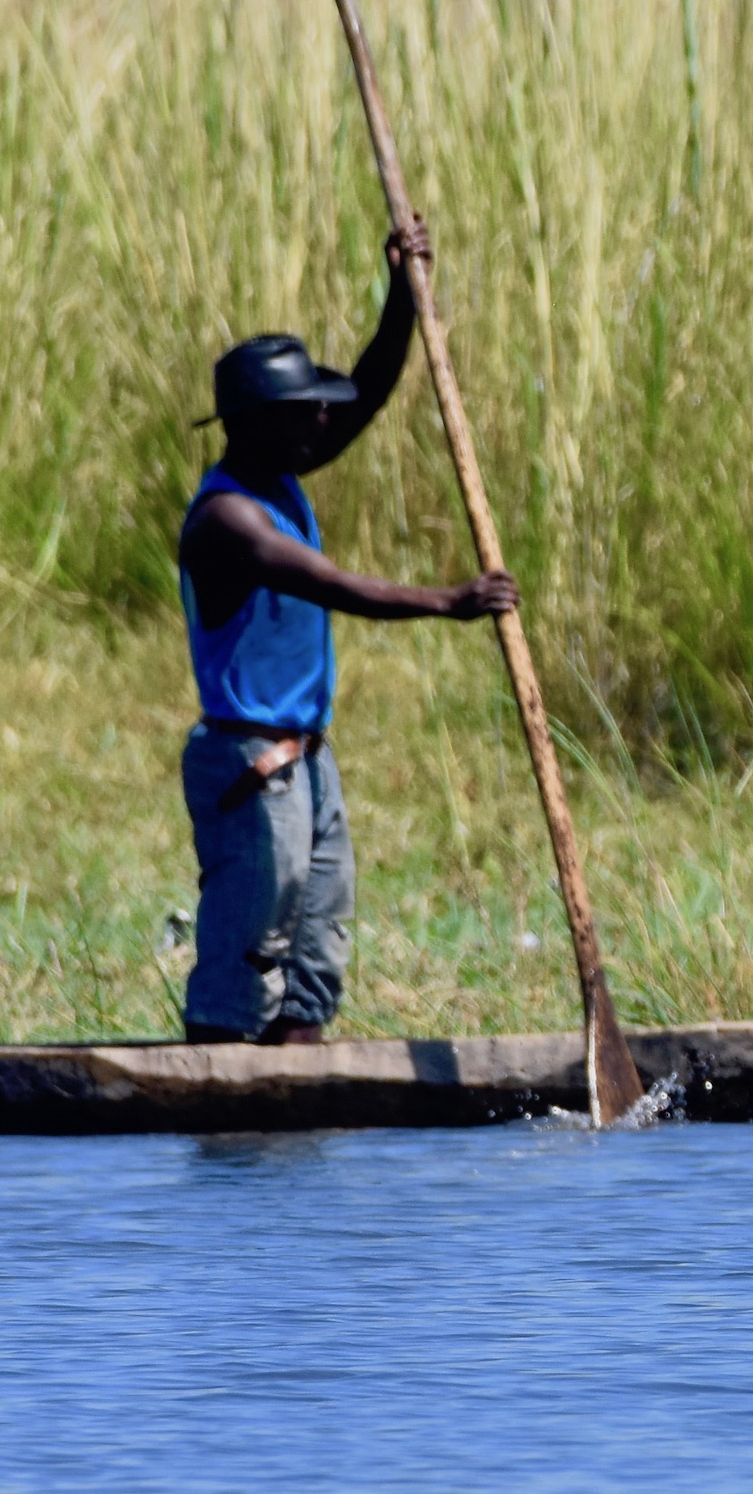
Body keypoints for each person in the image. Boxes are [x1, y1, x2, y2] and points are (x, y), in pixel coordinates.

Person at [174, 214, 514, 1045]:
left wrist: (403, 289)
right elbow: (327, 584)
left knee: (315, 953)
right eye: (304, 415)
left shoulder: (281, 468)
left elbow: (366, 389)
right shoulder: (227, 517)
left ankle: (296, 1099)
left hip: (306, 758)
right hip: (249, 759)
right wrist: (448, 601)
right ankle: (222, 1097)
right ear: (253, 425)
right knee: (253, 946)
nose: (322, 427)